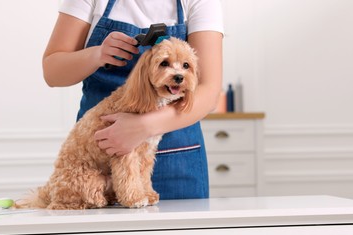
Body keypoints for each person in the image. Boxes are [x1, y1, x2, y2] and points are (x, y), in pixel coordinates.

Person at [42, 0, 223, 200]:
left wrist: (142, 127)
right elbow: (53, 72)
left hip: (177, 158)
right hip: (95, 161)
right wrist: (97, 54)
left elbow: (209, 91)